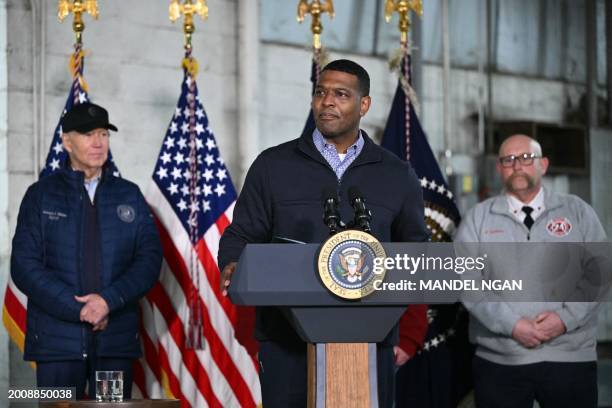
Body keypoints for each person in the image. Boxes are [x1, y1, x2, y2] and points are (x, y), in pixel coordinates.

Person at [218, 59, 430, 408]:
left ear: (364, 105)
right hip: (286, 339)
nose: (327, 101)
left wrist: (406, 335)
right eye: (321, 92)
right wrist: (232, 264)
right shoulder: (273, 165)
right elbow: (241, 235)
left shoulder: (397, 174)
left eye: (341, 94)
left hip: (370, 339)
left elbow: (415, 254)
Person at [11, 102, 162, 399]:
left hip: (114, 344)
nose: (98, 142)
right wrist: (80, 309)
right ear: (67, 141)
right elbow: (24, 266)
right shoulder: (40, 196)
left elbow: (149, 260)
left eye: (104, 134)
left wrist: (108, 301)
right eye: (88, 134)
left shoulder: (129, 195)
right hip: (58, 346)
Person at [455, 134, 607, 408]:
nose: (517, 165)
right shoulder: (477, 218)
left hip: (570, 357)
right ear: (500, 168)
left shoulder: (577, 211)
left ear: (543, 165)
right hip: (500, 360)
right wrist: (512, 325)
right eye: (508, 160)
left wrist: (565, 319)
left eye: (526, 158)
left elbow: (600, 273)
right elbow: (465, 280)